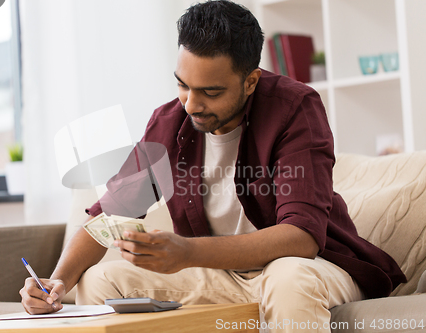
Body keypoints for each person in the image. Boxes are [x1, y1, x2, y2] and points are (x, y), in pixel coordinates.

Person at [20, 1, 406, 331]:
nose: (191, 104)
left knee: (290, 280)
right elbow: (109, 218)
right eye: (183, 85)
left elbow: (300, 238)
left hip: (308, 267)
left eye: (211, 91)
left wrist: (187, 253)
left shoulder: (295, 108)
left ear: (251, 81)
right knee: (102, 279)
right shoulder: (168, 122)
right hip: (223, 277)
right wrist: (56, 283)